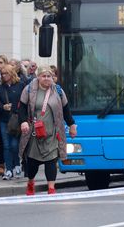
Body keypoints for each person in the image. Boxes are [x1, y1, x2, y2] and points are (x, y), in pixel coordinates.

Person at [18, 66, 77, 195]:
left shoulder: (58, 91)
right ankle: (31, 182)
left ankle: (51, 189)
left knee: (51, 160)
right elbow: (21, 108)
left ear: (52, 78)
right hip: (34, 133)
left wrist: (72, 125)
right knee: (32, 162)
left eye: (48, 76)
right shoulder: (29, 90)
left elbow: (66, 109)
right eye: (43, 76)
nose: (46, 79)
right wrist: (23, 122)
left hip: (52, 133)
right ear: (38, 77)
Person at [0, 64, 25, 180]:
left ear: (12, 73)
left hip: (16, 119)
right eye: (2, 74)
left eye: (6, 73)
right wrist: (3, 106)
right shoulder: (0, 88)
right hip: (4, 119)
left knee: (14, 144)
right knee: (6, 145)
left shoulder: (20, 85)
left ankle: (17, 164)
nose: (4, 76)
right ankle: (9, 169)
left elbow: (25, 101)